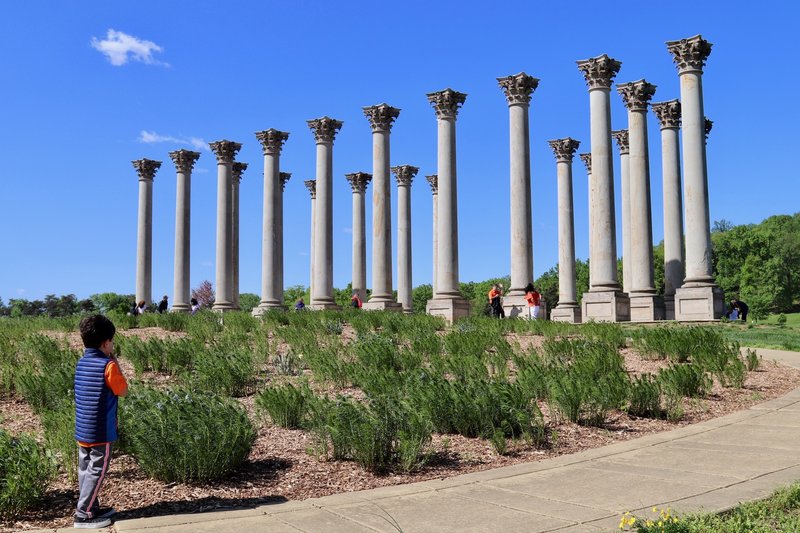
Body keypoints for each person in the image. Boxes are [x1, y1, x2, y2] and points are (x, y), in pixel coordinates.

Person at [74, 315, 128, 529]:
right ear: (106, 343)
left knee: (85, 469)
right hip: (101, 431)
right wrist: (114, 361)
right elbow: (123, 391)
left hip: (83, 427)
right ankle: (84, 514)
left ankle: (91, 506)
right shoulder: (108, 366)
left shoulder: (81, 362)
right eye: (112, 341)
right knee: (97, 469)